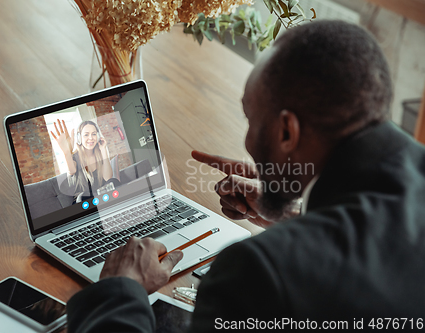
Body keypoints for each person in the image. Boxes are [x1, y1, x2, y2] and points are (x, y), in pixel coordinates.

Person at [65, 20, 425, 332]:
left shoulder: (258, 273)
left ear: (287, 132)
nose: (248, 140)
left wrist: (119, 290)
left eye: (250, 119)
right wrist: (296, 217)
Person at [50, 119, 120, 202]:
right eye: (86, 135)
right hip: (84, 202)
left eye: (94, 134)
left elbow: (108, 177)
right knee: (86, 195)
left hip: (101, 197)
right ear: (79, 138)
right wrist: (67, 152)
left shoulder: (100, 154)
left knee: (114, 182)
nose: (91, 138)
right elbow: (71, 170)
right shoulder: (74, 157)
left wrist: (103, 149)